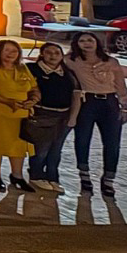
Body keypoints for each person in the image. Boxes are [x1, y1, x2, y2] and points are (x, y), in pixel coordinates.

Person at [65, 32, 126, 197]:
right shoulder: (71, 60)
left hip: (110, 103)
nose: (87, 43)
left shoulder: (111, 61)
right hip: (87, 102)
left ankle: (108, 179)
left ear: (97, 42)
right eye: (82, 41)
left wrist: (124, 106)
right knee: (82, 139)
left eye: (90, 40)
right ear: (76, 44)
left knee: (112, 142)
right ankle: (84, 176)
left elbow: (120, 84)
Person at [0, 39, 39, 192]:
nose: (11, 54)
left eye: (14, 51)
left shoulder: (22, 68)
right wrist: (7, 102)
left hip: (21, 115)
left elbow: (34, 88)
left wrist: (33, 100)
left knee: (19, 146)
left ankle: (17, 175)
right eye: (7, 50)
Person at [26, 42, 75, 193]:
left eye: (57, 53)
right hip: (43, 115)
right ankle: (36, 175)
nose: (53, 56)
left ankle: (53, 177)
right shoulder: (32, 69)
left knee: (56, 149)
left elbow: (75, 94)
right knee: (41, 148)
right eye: (49, 52)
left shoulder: (68, 72)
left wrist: (73, 116)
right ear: (42, 54)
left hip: (64, 115)